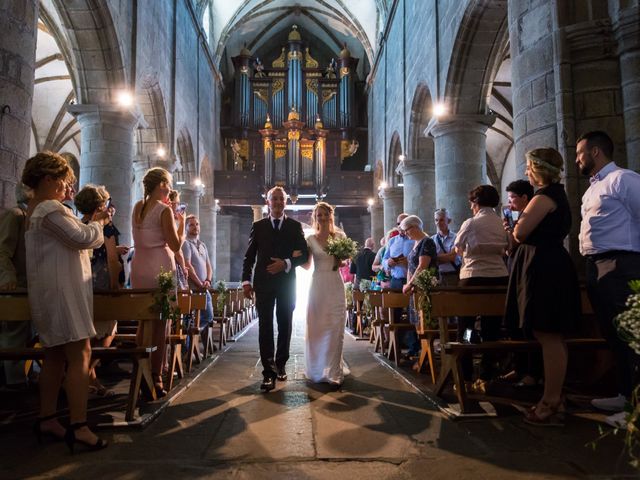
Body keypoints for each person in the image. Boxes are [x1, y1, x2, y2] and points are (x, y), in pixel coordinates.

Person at [22, 151, 108, 452]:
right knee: (80, 354)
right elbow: (81, 238)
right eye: (63, 181)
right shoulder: (48, 209)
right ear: (48, 179)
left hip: (53, 290)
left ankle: (48, 417)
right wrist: (98, 223)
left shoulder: (40, 210)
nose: (66, 187)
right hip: (61, 293)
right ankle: (79, 425)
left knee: (55, 356)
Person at [503, 148, 580, 426]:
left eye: (528, 167)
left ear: (538, 168)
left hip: (545, 267)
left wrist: (515, 225)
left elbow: (521, 233)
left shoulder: (544, 197)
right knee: (550, 334)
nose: (526, 172)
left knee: (548, 334)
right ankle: (554, 398)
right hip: (547, 264)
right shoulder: (552, 195)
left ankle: (550, 401)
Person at [577, 131, 640, 429]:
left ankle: (636, 407)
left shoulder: (622, 179)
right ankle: (625, 394)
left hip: (621, 263)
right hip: (596, 264)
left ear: (597, 152)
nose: (577, 159)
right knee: (613, 334)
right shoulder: (591, 189)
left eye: (580, 153)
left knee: (631, 335)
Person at [242, 186, 308, 392]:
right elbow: (249, 256)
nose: (278, 202)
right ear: (268, 202)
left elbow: (304, 255)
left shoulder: (294, 226)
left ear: (285, 203)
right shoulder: (259, 226)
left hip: (286, 283)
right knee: (265, 326)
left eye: (282, 199)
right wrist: (246, 281)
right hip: (263, 283)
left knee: (285, 324)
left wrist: (286, 263)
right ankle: (268, 373)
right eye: (275, 199)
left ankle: (281, 365)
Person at [130, 167, 185, 397]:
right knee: (161, 323)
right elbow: (175, 245)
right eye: (169, 183)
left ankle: (140, 367)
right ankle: (156, 374)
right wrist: (179, 223)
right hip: (159, 269)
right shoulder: (164, 210)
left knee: (144, 322)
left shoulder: (137, 207)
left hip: (139, 268)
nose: (170, 188)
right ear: (160, 184)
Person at [75, 184, 127, 397]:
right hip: (103, 282)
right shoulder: (105, 225)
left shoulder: (82, 224)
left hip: (85, 281)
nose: (108, 207)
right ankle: (84, 372)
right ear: (99, 205)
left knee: (89, 331)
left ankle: (91, 378)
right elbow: (111, 258)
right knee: (108, 330)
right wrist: (116, 286)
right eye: (105, 203)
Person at [455, 185, 509, 388]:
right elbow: (507, 247)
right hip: (499, 277)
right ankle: (486, 374)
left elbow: (458, 248)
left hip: (473, 277)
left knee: (466, 327)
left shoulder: (471, 223)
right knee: (492, 328)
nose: (471, 207)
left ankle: (466, 376)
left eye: (471, 203)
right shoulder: (501, 223)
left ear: (475, 203)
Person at [303, 202, 350, 386]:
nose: (322, 218)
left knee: (336, 327)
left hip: (334, 283)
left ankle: (334, 372)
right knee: (318, 327)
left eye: (325, 215)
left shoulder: (339, 236)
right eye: (319, 215)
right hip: (318, 285)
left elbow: (346, 263)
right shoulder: (311, 240)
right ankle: (317, 368)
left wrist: (341, 259)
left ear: (330, 216)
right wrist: (293, 256)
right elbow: (307, 266)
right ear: (315, 218)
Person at [502, 179, 541, 388]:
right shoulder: (520, 218)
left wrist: (512, 230)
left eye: (512, 199)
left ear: (525, 197)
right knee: (516, 322)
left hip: (531, 270)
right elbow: (510, 248)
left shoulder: (533, 215)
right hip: (518, 269)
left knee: (529, 323)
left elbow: (518, 240)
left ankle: (532, 372)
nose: (510, 204)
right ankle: (520, 368)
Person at [0, 183, 32, 389]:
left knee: (25, 336)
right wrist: (8, 276)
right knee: (13, 335)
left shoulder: (28, 215)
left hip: (28, 285)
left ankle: (21, 377)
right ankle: (14, 383)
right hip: (15, 286)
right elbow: (3, 249)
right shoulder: (16, 215)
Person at [401, 215, 437, 362]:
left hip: (425, 289)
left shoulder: (427, 242)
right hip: (416, 289)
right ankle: (424, 357)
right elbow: (411, 267)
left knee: (425, 325)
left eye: (406, 230)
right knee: (417, 325)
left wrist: (410, 284)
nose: (405, 233)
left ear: (415, 227)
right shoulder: (416, 243)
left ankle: (426, 359)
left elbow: (422, 266)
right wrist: (408, 284)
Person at [182, 215, 214, 332]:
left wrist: (208, 280)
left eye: (197, 224)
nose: (195, 227)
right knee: (188, 318)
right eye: (191, 225)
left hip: (203, 287)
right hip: (192, 288)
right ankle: (188, 345)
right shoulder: (186, 244)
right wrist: (199, 283)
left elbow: (208, 266)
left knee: (208, 316)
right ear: (186, 227)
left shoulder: (202, 245)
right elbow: (187, 265)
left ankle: (193, 337)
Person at [382, 213, 413, 291]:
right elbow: (384, 260)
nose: (400, 225)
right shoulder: (392, 241)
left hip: (411, 280)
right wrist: (388, 263)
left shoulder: (414, 240)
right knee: (394, 303)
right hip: (395, 280)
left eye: (403, 222)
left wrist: (409, 262)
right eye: (398, 223)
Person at [432, 208, 461, 286]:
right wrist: (446, 257)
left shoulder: (456, 237)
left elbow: (452, 257)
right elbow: (430, 260)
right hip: (437, 276)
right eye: (436, 220)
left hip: (453, 275)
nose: (438, 223)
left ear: (449, 221)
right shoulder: (431, 239)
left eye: (441, 220)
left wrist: (435, 258)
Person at [168, 190, 189, 290]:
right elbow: (177, 247)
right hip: (171, 263)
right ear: (171, 203)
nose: (178, 206)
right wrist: (183, 221)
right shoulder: (170, 220)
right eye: (177, 203)